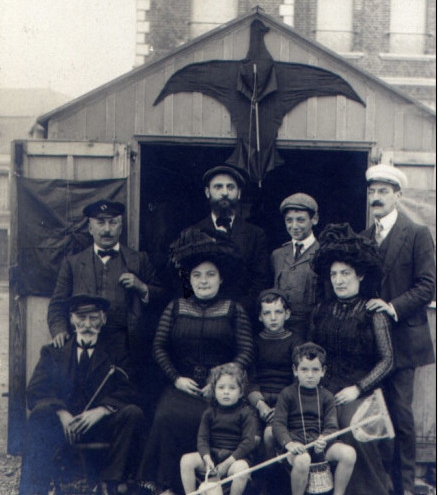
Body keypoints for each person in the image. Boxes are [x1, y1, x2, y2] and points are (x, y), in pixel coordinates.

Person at [138, 229, 254, 495]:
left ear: (221, 278)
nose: (204, 281)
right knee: (166, 416)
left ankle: (213, 489)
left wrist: (221, 381)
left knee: (212, 419)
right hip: (184, 385)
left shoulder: (233, 309)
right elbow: (159, 347)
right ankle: (171, 487)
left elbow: (247, 350)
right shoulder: (176, 307)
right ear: (189, 280)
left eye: (210, 275)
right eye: (197, 275)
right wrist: (176, 379)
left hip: (221, 389)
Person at [18, 294, 146, 495]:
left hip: (100, 424)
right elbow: (35, 391)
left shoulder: (116, 351)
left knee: (133, 414)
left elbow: (131, 389)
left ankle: (108, 487)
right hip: (63, 427)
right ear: (71, 320)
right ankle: (39, 493)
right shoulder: (53, 352)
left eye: (94, 318)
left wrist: (102, 410)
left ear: (104, 319)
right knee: (38, 415)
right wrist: (61, 412)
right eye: (81, 318)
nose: (87, 325)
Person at [362, 165, 436, 495]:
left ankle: (405, 489)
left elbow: (427, 285)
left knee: (401, 415)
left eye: (384, 192)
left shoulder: (417, 233)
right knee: (371, 416)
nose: (376, 198)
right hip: (371, 344)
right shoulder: (364, 238)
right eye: (372, 192)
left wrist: (392, 307)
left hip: (403, 340)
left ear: (398, 196)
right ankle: (379, 488)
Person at [309, 223, 395, 495]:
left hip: (361, 390)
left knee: (353, 429)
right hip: (325, 388)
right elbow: (313, 355)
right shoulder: (321, 310)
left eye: (345, 273)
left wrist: (357, 388)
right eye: (334, 274)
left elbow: (387, 360)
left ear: (359, 274)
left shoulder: (373, 312)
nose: (339, 280)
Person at [47, 199, 164, 388]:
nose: (107, 229)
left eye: (113, 222)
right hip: (85, 338)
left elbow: (161, 298)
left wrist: (142, 287)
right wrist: (59, 329)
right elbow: (57, 305)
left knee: (122, 391)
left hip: (125, 344)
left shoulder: (139, 259)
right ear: (90, 228)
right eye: (100, 223)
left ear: (121, 227)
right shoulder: (73, 263)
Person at [273, 343, 356, 495]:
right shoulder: (287, 395)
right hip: (296, 447)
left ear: (323, 371)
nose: (310, 375)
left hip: (320, 444)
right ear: (295, 371)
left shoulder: (326, 396)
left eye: (315, 370)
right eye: (304, 369)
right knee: (302, 460)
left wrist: (325, 438)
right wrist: (289, 443)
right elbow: (278, 424)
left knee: (349, 453)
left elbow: (332, 425)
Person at [177, 165, 270, 318]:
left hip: (241, 316)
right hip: (200, 316)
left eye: (230, 187)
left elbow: (260, 280)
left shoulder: (255, 234)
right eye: (218, 187)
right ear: (208, 192)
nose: (225, 192)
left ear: (239, 193)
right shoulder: (191, 233)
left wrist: (237, 308)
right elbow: (182, 280)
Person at [179, 362, 257, 495]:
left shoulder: (246, 413)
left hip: (234, 459)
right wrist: (207, 459)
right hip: (212, 457)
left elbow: (248, 442)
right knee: (186, 460)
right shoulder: (209, 413)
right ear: (214, 390)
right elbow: (202, 439)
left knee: (242, 468)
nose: (226, 392)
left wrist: (227, 463)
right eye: (221, 388)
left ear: (241, 391)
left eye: (232, 388)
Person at [246, 289, 299, 495]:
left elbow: (298, 379)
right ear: (260, 317)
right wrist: (260, 404)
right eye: (267, 313)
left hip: (286, 401)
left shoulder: (295, 342)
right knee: (251, 437)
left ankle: (272, 490)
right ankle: (250, 489)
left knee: (272, 436)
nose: (273, 317)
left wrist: (280, 406)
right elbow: (249, 380)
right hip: (257, 401)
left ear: (287, 314)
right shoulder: (254, 342)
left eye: (278, 312)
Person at [271, 193, 320, 339]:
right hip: (281, 333)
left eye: (300, 220)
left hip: (310, 332)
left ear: (314, 219)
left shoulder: (323, 253)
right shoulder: (278, 255)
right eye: (289, 220)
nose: (294, 226)